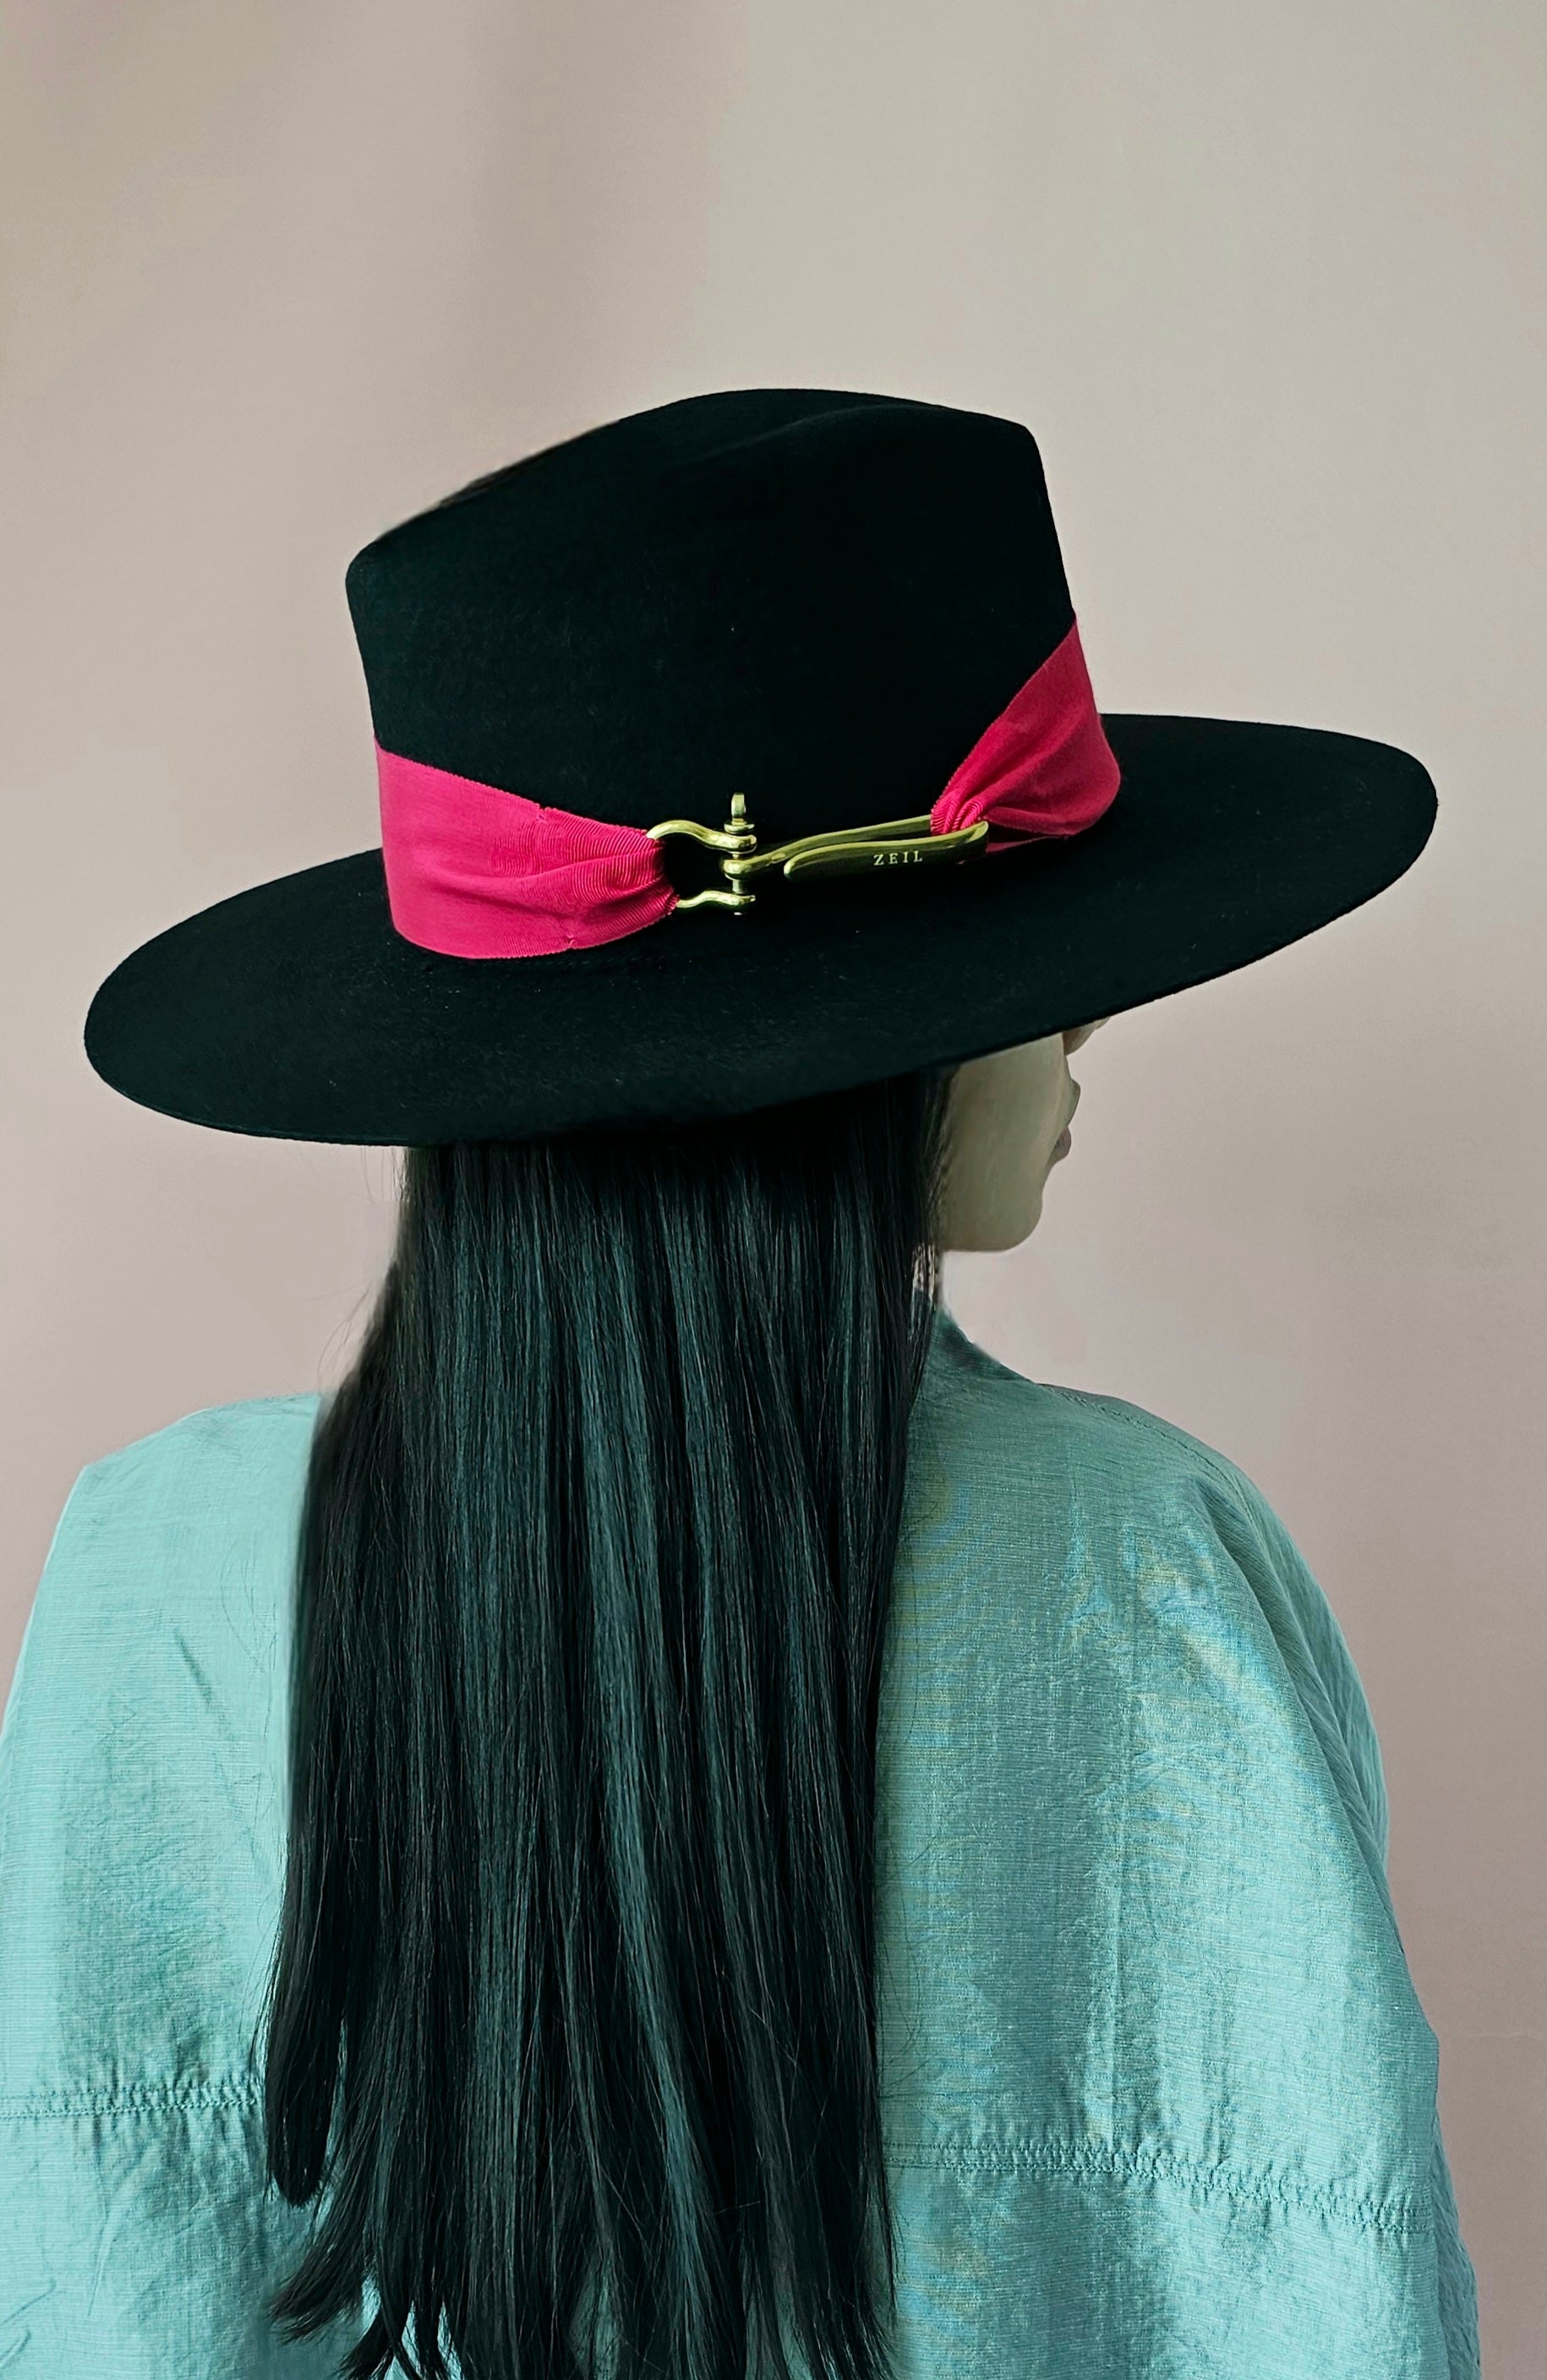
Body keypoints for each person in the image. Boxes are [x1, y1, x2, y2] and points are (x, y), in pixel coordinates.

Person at [0, 390, 1479, 2378]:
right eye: (1031, 957)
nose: (1091, 1015)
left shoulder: (145, 1569)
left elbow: (100, 2288)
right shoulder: (1145, 1572)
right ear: (868, 1052)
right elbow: (1306, 2294)